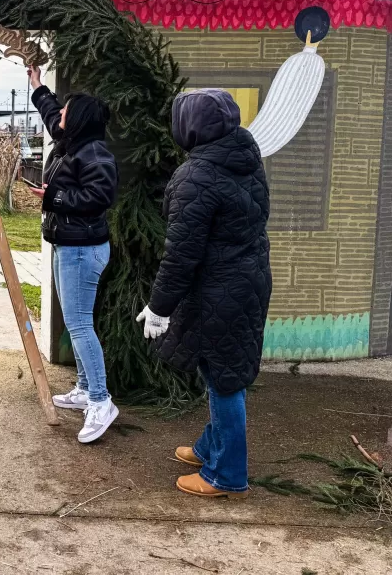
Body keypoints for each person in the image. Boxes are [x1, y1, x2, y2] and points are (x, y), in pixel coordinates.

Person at [138, 88, 271, 498]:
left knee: (223, 379)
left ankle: (226, 475)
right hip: (248, 280)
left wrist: (159, 308)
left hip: (220, 289)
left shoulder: (197, 175)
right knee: (223, 369)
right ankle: (210, 447)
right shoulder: (246, 159)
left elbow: (181, 255)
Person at [28, 65, 119, 444]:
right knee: (75, 322)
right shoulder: (73, 144)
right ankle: (84, 388)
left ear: (78, 120)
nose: (59, 115)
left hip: (83, 251)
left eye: (66, 112)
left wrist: (55, 197)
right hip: (69, 247)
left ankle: (101, 401)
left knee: (81, 326)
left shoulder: (95, 154)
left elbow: (100, 197)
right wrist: (37, 87)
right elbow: (52, 115)